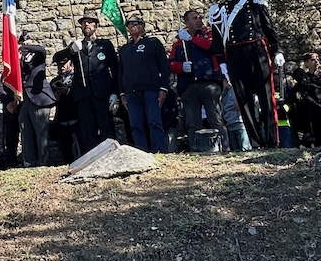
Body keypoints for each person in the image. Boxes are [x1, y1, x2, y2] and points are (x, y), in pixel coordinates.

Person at [208, 0, 285, 148]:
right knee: (243, 101)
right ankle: (255, 141)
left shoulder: (255, 3)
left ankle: (272, 141)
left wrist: (277, 50)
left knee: (266, 96)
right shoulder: (218, 10)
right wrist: (222, 63)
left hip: (257, 50)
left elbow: (269, 30)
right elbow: (217, 40)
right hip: (234, 55)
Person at [52, 10, 120, 155]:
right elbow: (56, 57)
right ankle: (92, 157)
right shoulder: (77, 46)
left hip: (102, 93)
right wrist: (71, 50)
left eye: (89, 22)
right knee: (88, 130)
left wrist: (115, 92)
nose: (86, 25)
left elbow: (115, 70)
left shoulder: (105, 45)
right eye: (84, 23)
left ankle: (111, 156)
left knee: (106, 127)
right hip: (83, 94)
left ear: (96, 26)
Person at [170, 9, 229, 151]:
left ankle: (224, 148)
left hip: (209, 82)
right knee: (192, 122)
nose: (198, 20)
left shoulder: (208, 35)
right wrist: (181, 67)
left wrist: (191, 39)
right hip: (188, 86)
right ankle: (195, 149)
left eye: (199, 17)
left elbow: (212, 47)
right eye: (194, 18)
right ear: (186, 22)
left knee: (215, 118)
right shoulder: (179, 43)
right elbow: (170, 64)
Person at [117, 17, 171, 153]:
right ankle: (141, 153)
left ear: (142, 26)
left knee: (154, 121)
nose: (131, 26)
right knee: (135, 124)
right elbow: (120, 72)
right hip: (131, 93)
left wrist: (164, 88)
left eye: (134, 23)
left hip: (151, 89)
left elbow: (164, 66)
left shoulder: (153, 43)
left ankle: (159, 151)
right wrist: (122, 93)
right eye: (128, 24)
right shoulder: (125, 49)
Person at [18, 43, 56, 166]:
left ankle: (42, 162)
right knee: (25, 128)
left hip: (39, 98)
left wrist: (25, 46)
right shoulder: (20, 60)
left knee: (41, 132)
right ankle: (29, 161)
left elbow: (42, 49)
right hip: (26, 99)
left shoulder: (37, 57)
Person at [292, 53, 321, 146]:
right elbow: (306, 97)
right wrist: (320, 108)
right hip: (315, 114)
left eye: (317, 59)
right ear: (306, 63)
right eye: (313, 60)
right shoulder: (305, 80)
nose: (316, 61)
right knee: (320, 139)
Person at [49, 60, 80, 164]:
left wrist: (68, 91)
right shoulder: (54, 81)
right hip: (61, 118)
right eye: (59, 64)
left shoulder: (77, 78)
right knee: (65, 148)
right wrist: (55, 97)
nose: (61, 66)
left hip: (76, 116)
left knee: (79, 147)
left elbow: (80, 94)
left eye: (63, 64)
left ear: (70, 63)